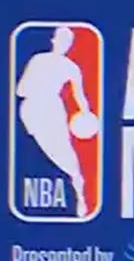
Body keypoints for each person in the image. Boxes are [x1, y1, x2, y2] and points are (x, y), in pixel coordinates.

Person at [15, 25, 93, 218]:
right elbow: (20, 90)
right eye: (61, 40)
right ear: (53, 40)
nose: (64, 44)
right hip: (32, 109)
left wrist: (86, 113)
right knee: (40, 149)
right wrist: (37, 88)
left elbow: (79, 96)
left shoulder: (71, 68)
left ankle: (79, 194)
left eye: (68, 42)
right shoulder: (38, 60)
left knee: (65, 153)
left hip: (53, 110)